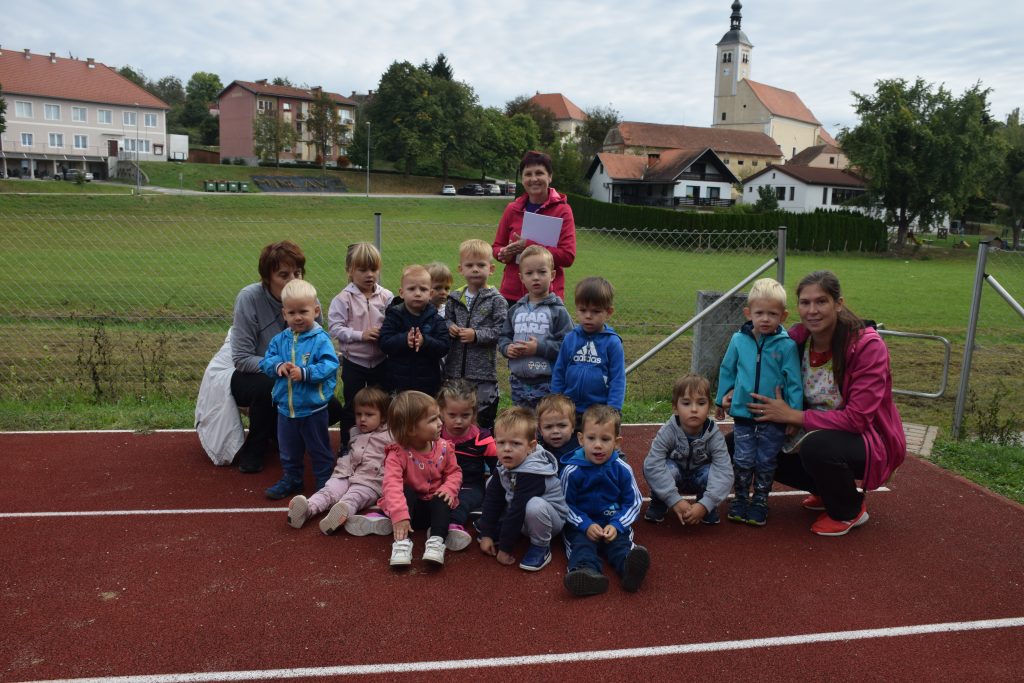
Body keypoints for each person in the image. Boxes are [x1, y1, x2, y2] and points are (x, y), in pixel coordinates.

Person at [740, 270, 906, 536]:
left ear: (838, 304)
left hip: (866, 439)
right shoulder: (796, 340)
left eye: (821, 301)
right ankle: (826, 490)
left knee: (817, 447)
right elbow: (758, 361)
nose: (812, 310)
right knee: (745, 440)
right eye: (805, 303)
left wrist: (794, 416)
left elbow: (857, 419)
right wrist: (734, 390)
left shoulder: (867, 347)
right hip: (813, 432)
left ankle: (849, 510)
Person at [229, 240, 340, 474]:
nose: (292, 280)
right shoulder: (249, 298)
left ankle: (285, 436)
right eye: (283, 274)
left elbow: (319, 345)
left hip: (299, 373)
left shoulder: (308, 300)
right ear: (267, 278)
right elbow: (240, 358)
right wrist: (277, 366)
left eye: (297, 273)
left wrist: (305, 372)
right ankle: (256, 447)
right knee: (270, 386)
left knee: (333, 408)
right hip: (256, 373)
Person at [715, 278, 802, 526]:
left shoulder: (786, 346)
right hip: (743, 414)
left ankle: (760, 500)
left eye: (772, 314)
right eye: (759, 313)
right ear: (748, 313)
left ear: (783, 316)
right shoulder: (738, 340)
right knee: (742, 459)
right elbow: (727, 369)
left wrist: (793, 416)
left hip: (772, 418)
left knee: (765, 460)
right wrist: (721, 399)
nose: (765, 319)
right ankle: (740, 498)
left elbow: (794, 382)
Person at [258, 280, 339, 500]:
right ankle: (292, 478)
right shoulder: (279, 340)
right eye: (292, 312)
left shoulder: (321, 339)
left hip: (313, 409)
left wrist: (305, 373)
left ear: (316, 310)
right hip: (286, 409)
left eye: (303, 311)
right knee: (288, 450)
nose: (298, 317)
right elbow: (266, 362)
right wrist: (278, 366)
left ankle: (325, 483)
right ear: (284, 314)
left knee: (319, 449)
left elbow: (330, 365)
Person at [560, 405, 650, 597]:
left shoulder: (622, 469)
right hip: (581, 527)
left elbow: (634, 502)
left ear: (617, 443)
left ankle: (629, 569)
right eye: (591, 438)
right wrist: (585, 524)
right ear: (581, 439)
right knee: (582, 547)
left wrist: (617, 525)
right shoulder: (571, 471)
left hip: (612, 524)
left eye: (605, 439)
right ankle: (586, 573)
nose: (598, 445)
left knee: (621, 545)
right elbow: (565, 505)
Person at [287, 386, 393, 536]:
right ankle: (308, 508)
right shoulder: (355, 432)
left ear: (383, 417)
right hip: (345, 473)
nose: (362, 419)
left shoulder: (391, 435)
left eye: (369, 415)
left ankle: (341, 514)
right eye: (358, 414)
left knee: (353, 498)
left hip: (370, 481)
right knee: (328, 492)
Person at [477, 407, 568, 572]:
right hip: (521, 513)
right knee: (492, 483)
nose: (507, 449)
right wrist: (486, 534)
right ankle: (504, 529)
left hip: (549, 519)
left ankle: (541, 546)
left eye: (515, 443)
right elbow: (492, 499)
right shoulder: (507, 461)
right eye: (501, 442)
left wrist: (505, 549)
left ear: (531, 446)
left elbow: (518, 509)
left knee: (534, 505)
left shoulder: (532, 472)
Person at [379, 391, 464, 567]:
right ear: (411, 429)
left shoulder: (444, 448)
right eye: (433, 420)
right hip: (408, 511)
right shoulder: (397, 454)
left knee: (443, 496)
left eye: (439, 417)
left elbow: (454, 473)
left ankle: (437, 539)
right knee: (405, 489)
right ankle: (402, 541)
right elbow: (391, 486)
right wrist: (400, 515)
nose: (441, 423)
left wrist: (449, 488)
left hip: (433, 510)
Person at [327, 242, 393, 454]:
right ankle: (348, 445)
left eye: (373, 269)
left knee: (382, 404)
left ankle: (381, 444)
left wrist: (385, 334)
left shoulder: (387, 297)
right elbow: (335, 329)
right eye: (362, 270)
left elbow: (394, 322)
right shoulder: (342, 299)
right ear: (349, 270)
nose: (369, 275)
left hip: (382, 361)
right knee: (352, 405)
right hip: (354, 362)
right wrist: (361, 335)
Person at [643, 374, 732, 525]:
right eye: (686, 403)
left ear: (709, 406)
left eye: (701, 403)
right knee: (665, 466)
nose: (694, 409)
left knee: (713, 470)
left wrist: (706, 504)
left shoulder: (714, 435)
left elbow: (725, 471)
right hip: (674, 477)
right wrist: (674, 499)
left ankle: (705, 507)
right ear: (675, 407)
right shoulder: (668, 431)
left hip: (699, 478)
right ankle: (660, 502)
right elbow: (652, 465)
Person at [492, 150, 576, 306]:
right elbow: (497, 246)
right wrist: (503, 253)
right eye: (528, 174)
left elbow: (567, 256)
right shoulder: (512, 209)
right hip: (512, 293)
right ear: (522, 179)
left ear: (549, 177)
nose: (534, 179)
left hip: (548, 295)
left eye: (539, 173)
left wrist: (527, 246)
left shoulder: (563, 211)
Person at [443, 239, 508, 430]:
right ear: (460, 269)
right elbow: (445, 320)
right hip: (455, 369)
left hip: (483, 372)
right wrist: (450, 326)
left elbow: (501, 330)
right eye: (469, 265)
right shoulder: (454, 298)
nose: (475, 269)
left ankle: (483, 450)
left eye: (481, 265)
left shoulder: (497, 300)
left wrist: (477, 335)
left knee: (481, 419)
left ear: (491, 268)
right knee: (457, 416)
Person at [499, 245, 574, 409]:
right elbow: (504, 336)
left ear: (552, 275)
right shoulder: (515, 310)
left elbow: (568, 345)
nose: (535, 278)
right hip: (518, 381)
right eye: (529, 273)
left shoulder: (558, 311)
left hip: (547, 382)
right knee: (523, 427)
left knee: (544, 426)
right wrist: (507, 348)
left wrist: (539, 348)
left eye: (542, 272)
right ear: (521, 278)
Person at [551, 276, 626, 421]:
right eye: (583, 310)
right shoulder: (570, 338)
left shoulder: (612, 343)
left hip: (600, 412)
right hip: (569, 410)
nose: (588, 316)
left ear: (609, 312)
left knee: (599, 443)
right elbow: (559, 372)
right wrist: (556, 401)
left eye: (595, 311)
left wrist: (613, 410)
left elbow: (618, 379)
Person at [437, 380, 496, 548]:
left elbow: (497, 469)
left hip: (470, 485)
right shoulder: (435, 435)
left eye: (465, 415)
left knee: (461, 500)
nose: (458, 421)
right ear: (441, 413)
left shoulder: (482, 439)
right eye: (452, 415)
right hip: (440, 482)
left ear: (474, 414)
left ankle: (453, 527)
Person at [378, 265, 450, 397]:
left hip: (427, 385)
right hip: (397, 384)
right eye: (411, 289)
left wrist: (425, 342)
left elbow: (444, 346)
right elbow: (384, 342)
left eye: (423, 289)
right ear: (401, 293)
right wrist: (404, 339)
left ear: (430, 294)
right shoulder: (394, 316)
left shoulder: (436, 319)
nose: (417, 293)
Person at [536, 393, 580, 469]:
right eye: (548, 427)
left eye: (562, 426)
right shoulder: (537, 449)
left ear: (573, 427)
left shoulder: (580, 450)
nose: (555, 431)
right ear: (540, 430)